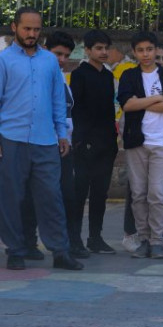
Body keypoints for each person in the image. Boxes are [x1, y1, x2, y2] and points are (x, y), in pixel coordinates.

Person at [0, 8, 83, 271]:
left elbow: (57, 100)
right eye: (27, 29)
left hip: (45, 140)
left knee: (51, 196)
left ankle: (60, 251)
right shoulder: (2, 61)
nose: (32, 34)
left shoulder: (49, 61)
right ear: (14, 27)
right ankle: (15, 250)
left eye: (36, 30)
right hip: (10, 139)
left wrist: (62, 133)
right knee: (10, 198)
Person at [117, 31, 163, 259]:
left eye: (150, 49)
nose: (146, 54)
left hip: (162, 142)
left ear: (156, 50)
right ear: (134, 53)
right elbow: (126, 104)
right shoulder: (129, 76)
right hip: (137, 142)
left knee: (157, 193)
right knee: (138, 193)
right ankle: (143, 238)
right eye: (141, 50)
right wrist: (158, 98)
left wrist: (140, 102)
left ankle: (157, 241)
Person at [69, 30, 118, 255]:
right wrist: (82, 140)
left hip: (106, 144)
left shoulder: (108, 76)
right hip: (85, 144)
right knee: (80, 193)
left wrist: (112, 140)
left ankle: (95, 238)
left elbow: (109, 111)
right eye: (98, 48)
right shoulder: (80, 75)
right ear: (87, 50)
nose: (103, 52)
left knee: (100, 193)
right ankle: (74, 239)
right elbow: (78, 109)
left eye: (106, 48)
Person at [41, 31, 90, 260]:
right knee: (44, 198)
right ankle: (30, 244)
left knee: (68, 196)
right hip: (45, 144)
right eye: (57, 53)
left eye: (65, 55)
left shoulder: (61, 76)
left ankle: (70, 241)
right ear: (45, 49)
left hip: (64, 145)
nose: (61, 59)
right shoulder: (41, 75)